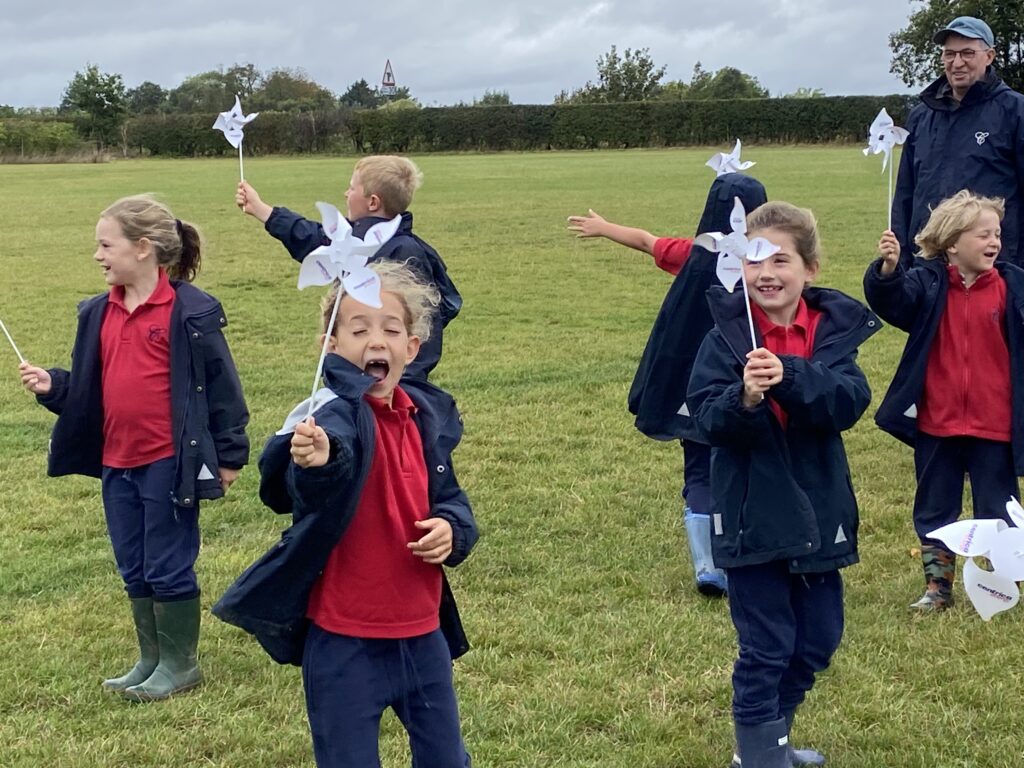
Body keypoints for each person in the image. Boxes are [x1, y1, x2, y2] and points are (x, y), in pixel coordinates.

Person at [213, 261, 478, 767]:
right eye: (358, 329)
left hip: (423, 635)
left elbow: (450, 497)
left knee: (446, 758)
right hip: (344, 645)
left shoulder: (426, 420)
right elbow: (307, 484)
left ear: (411, 348)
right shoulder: (328, 418)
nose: (375, 339)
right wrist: (317, 460)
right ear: (330, 347)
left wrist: (452, 528)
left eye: (390, 329)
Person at [19, 195, 249, 701]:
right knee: (134, 564)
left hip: (169, 460)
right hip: (115, 462)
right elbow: (88, 388)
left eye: (106, 244)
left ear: (143, 248)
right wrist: (53, 386)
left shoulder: (191, 312)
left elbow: (223, 389)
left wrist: (230, 455)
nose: (97, 255)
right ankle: (151, 658)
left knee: (167, 564)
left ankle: (180, 664)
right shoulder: (97, 312)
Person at [687, 201, 880, 767]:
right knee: (767, 647)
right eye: (753, 261)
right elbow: (705, 420)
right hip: (752, 517)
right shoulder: (724, 337)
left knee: (816, 642)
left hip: (821, 513)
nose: (766, 273)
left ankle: (774, 741)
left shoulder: (833, 334)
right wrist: (744, 397)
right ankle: (759, 756)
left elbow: (848, 402)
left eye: (780, 260)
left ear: (810, 269)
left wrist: (791, 374)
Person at [568, 173, 768, 597]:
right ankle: (735, 552)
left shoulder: (692, 253)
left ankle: (707, 564)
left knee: (698, 467)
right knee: (739, 465)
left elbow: (646, 241)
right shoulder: (764, 263)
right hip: (743, 385)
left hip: (690, 387)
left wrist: (604, 229)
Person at [865, 190, 1023, 611]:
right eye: (983, 235)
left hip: (995, 423)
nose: (994, 242)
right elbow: (892, 301)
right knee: (935, 506)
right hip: (938, 422)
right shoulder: (927, 284)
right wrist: (888, 270)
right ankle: (938, 587)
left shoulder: (1011, 286)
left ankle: (1004, 583)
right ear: (952, 243)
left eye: (997, 234)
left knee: (999, 508)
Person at [235, 155, 461, 379]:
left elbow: (420, 324)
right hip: (352, 372)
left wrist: (402, 383)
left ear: (373, 202)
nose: (346, 193)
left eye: (352, 188)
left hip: (389, 381)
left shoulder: (405, 253)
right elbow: (316, 239)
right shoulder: (352, 239)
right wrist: (264, 211)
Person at [892, 16, 1024, 268]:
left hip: (993, 267)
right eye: (949, 54)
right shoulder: (921, 116)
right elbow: (905, 194)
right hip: (928, 265)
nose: (957, 62)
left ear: (989, 56)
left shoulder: (1015, 111)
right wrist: (901, 258)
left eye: (967, 53)